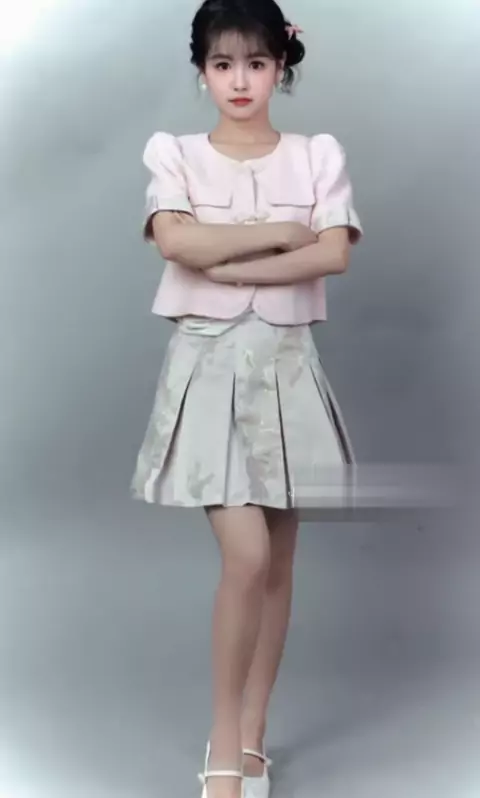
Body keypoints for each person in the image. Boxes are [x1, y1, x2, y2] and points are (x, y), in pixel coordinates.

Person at [131, 0, 363, 795]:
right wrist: (279, 235)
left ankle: (256, 733)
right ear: (201, 71)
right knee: (248, 555)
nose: (240, 80)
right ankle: (225, 744)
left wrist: (230, 266)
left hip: (289, 371)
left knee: (278, 566)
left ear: (281, 67)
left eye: (257, 64)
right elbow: (176, 240)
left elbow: (332, 255)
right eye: (223, 64)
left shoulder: (316, 154)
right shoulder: (176, 154)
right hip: (207, 370)